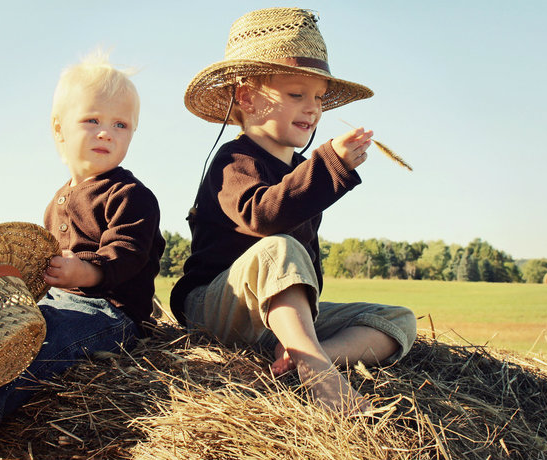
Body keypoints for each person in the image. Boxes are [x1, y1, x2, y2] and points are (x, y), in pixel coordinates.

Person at [0, 51, 165, 452]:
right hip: (61, 300)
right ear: (59, 130)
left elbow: (128, 255)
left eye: (120, 125)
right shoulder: (59, 198)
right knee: (4, 323)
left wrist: (85, 272)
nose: (106, 132)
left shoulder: (132, 196)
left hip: (111, 312)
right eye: (92, 120)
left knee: (47, 340)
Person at [170, 8, 417, 414]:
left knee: (397, 319)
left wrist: (318, 169)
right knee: (278, 248)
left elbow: (303, 239)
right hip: (218, 305)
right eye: (296, 94)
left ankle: (309, 356)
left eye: (319, 98)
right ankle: (320, 376)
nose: (313, 108)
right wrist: (328, 165)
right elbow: (265, 217)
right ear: (247, 98)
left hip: (275, 319)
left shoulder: (301, 172)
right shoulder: (234, 161)